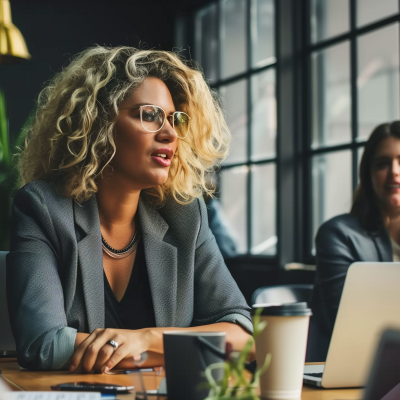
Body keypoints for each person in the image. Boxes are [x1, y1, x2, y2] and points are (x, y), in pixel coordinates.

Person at [6, 46, 253, 372]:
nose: (169, 134)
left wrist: (148, 340)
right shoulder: (43, 209)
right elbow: (45, 344)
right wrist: (184, 347)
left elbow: (244, 336)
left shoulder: (184, 216)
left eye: (173, 119)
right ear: (99, 121)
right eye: (149, 115)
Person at [310, 121, 400, 352]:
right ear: (368, 174)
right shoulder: (339, 235)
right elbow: (347, 329)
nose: (395, 171)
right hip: (363, 369)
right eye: (382, 164)